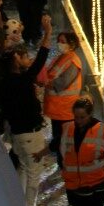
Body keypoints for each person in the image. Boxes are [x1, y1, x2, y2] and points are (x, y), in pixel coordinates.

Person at [0, 11, 53, 206]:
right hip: (29, 135)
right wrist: (48, 33)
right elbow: (41, 60)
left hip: (17, 134)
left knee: (22, 168)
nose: (28, 59)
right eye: (24, 57)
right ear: (15, 61)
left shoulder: (5, 82)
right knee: (33, 173)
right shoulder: (19, 81)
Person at [59, 94, 104, 206]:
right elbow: (56, 144)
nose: (78, 121)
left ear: (90, 115)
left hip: (99, 182)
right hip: (75, 185)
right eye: (76, 117)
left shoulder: (101, 129)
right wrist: (40, 153)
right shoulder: (67, 127)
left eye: (82, 117)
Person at [43, 30, 84, 166]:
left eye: (63, 41)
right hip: (58, 109)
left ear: (71, 44)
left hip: (65, 110)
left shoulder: (73, 61)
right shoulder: (61, 57)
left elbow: (62, 82)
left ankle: (66, 166)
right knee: (60, 139)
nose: (59, 44)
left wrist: (47, 83)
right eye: (59, 41)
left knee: (63, 141)